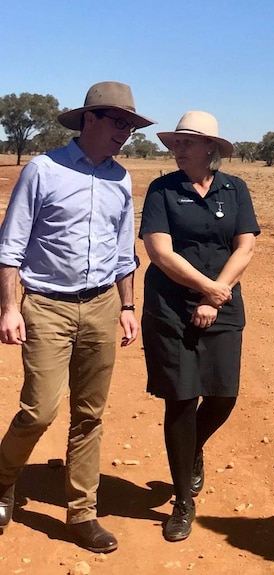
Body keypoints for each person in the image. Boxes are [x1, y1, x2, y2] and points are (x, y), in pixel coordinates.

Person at [0, 81, 154, 553]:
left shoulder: (122, 178)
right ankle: (3, 480)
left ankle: (81, 512)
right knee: (39, 409)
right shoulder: (42, 170)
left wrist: (128, 306)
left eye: (131, 124)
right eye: (119, 122)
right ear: (89, 119)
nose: (126, 132)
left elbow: (123, 249)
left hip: (103, 304)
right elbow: (10, 246)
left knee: (90, 415)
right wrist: (9, 307)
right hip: (46, 305)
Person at [140, 111, 259, 542]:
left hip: (223, 301)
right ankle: (182, 502)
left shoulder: (235, 189)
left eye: (188, 142)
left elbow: (245, 244)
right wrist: (206, 289)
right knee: (181, 399)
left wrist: (218, 292)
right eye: (176, 142)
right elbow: (160, 252)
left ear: (211, 147)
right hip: (171, 306)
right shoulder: (162, 190)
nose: (178, 148)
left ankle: (193, 451)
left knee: (224, 395)